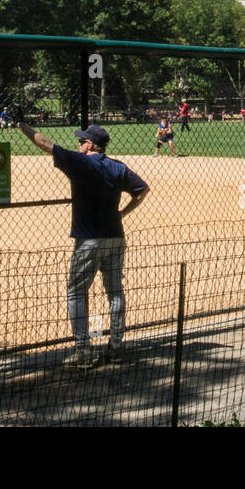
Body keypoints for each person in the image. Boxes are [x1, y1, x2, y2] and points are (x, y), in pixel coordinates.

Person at [17, 121, 148, 367]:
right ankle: (116, 347)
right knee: (115, 291)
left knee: (76, 291)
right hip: (115, 237)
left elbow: (45, 144)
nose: (78, 145)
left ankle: (83, 349)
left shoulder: (80, 163)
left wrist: (21, 125)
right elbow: (142, 190)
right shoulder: (118, 168)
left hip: (88, 240)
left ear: (90, 145)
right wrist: (122, 213)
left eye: (81, 141)